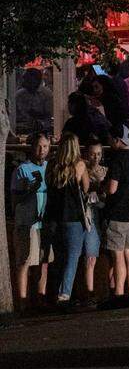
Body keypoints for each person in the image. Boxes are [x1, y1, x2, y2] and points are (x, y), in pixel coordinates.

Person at [46, 133, 94, 305]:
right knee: (72, 257)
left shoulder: (52, 165)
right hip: (73, 217)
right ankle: (64, 293)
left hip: (53, 217)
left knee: (58, 257)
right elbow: (86, 189)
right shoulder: (79, 165)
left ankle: (54, 291)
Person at [10, 132, 53, 309]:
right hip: (27, 224)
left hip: (45, 223)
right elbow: (15, 200)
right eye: (38, 146)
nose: (41, 150)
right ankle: (23, 300)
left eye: (45, 146)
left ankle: (40, 297)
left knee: (43, 262)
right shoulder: (22, 170)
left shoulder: (50, 168)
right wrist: (28, 190)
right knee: (25, 261)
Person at [103, 127, 129, 299]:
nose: (110, 142)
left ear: (118, 140)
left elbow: (112, 188)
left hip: (117, 212)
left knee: (117, 255)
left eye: (112, 139)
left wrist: (101, 187)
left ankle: (119, 292)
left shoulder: (118, 159)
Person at [79, 141, 107, 303]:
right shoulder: (83, 171)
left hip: (104, 216)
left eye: (98, 154)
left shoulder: (106, 171)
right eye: (92, 154)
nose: (95, 157)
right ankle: (89, 291)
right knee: (90, 256)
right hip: (90, 215)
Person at [14, 68, 53, 134]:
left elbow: (49, 116)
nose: (23, 81)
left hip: (42, 130)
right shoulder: (19, 95)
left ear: (35, 80)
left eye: (26, 78)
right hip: (21, 129)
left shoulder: (46, 94)